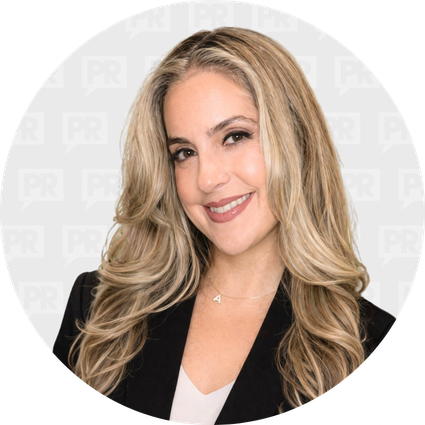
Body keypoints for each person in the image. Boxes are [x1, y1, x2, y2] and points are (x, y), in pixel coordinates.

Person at [53, 27, 395, 424]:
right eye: (184, 153)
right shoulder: (98, 309)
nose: (207, 179)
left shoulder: (370, 342)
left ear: (296, 139)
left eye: (234, 136)